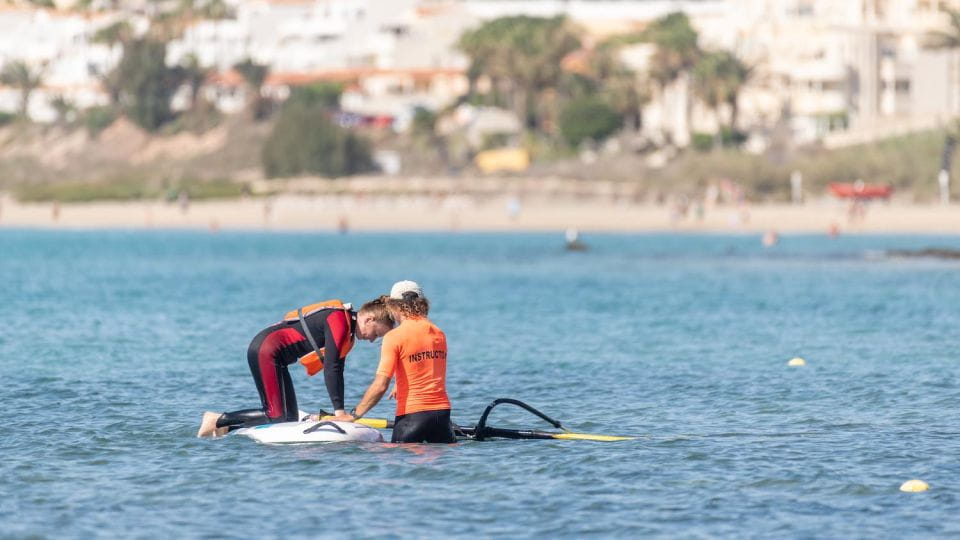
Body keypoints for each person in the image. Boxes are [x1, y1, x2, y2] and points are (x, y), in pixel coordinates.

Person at [197, 296, 395, 437]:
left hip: (275, 358)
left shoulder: (347, 331)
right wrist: (340, 412)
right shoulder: (339, 321)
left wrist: (339, 412)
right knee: (276, 416)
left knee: (288, 418)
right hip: (266, 351)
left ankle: (226, 430)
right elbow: (331, 367)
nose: (372, 340)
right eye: (376, 333)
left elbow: (337, 371)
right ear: (369, 319)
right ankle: (218, 419)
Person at [333, 281, 455, 443]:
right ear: (422, 303)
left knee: (396, 462)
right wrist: (400, 381)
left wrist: (353, 415)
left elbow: (381, 385)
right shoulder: (439, 333)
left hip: (412, 418)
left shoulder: (394, 336)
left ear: (394, 306)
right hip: (442, 416)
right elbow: (424, 365)